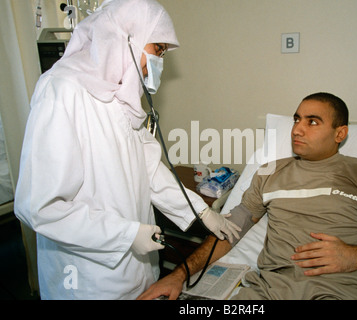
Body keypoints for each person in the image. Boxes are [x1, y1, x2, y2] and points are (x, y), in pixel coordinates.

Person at [14, 0, 239, 300]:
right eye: (158, 49)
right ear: (128, 37)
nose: (160, 61)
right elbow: (39, 205)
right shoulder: (63, 90)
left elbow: (149, 170)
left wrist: (201, 211)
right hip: (88, 281)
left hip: (138, 273)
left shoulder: (124, 100)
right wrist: (125, 234)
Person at [138, 92, 357, 300]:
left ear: (340, 133)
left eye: (312, 121)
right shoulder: (270, 173)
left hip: (345, 290)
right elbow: (229, 231)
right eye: (296, 119)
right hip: (268, 292)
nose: (297, 129)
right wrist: (177, 276)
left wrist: (356, 255)